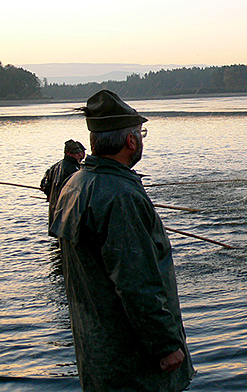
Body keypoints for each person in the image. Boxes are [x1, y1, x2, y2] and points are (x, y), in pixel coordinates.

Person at [49, 90, 194, 391]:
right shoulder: (120, 195)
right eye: (140, 133)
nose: (141, 139)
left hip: (98, 357)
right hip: (134, 365)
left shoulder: (74, 184)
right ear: (131, 141)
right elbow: (136, 281)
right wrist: (165, 345)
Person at [40, 139, 86, 227]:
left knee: (58, 232)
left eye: (80, 152)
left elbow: (44, 184)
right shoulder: (75, 169)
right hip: (67, 211)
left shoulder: (55, 166)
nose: (80, 155)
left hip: (55, 209)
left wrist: (49, 194)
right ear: (68, 153)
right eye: (77, 153)